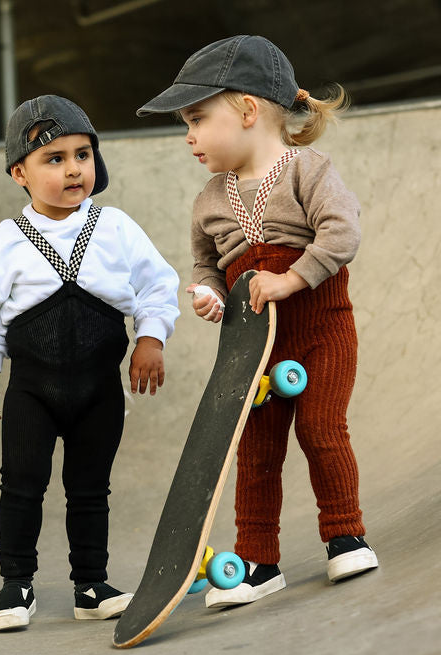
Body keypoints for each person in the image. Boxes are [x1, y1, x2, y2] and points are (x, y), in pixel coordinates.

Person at [137, 34, 378, 608]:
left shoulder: (307, 171)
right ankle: (257, 562)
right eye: (184, 125)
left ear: (247, 110)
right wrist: (208, 293)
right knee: (255, 452)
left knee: (320, 428)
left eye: (197, 119)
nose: (188, 136)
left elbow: (343, 232)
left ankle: (346, 534)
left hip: (321, 331)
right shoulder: (209, 201)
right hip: (254, 352)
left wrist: (292, 279)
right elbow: (206, 264)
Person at [0, 95, 180, 631]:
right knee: (22, 482)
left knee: (90, 488)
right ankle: (16, 585)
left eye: (82, 154)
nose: (73, 169)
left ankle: (91, 583)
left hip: (99, 388)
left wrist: (150, 338)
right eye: (53, 159)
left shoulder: (115, 227)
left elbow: (158, 286)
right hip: (32, 390)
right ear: (20, 173)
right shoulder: (7, 240)